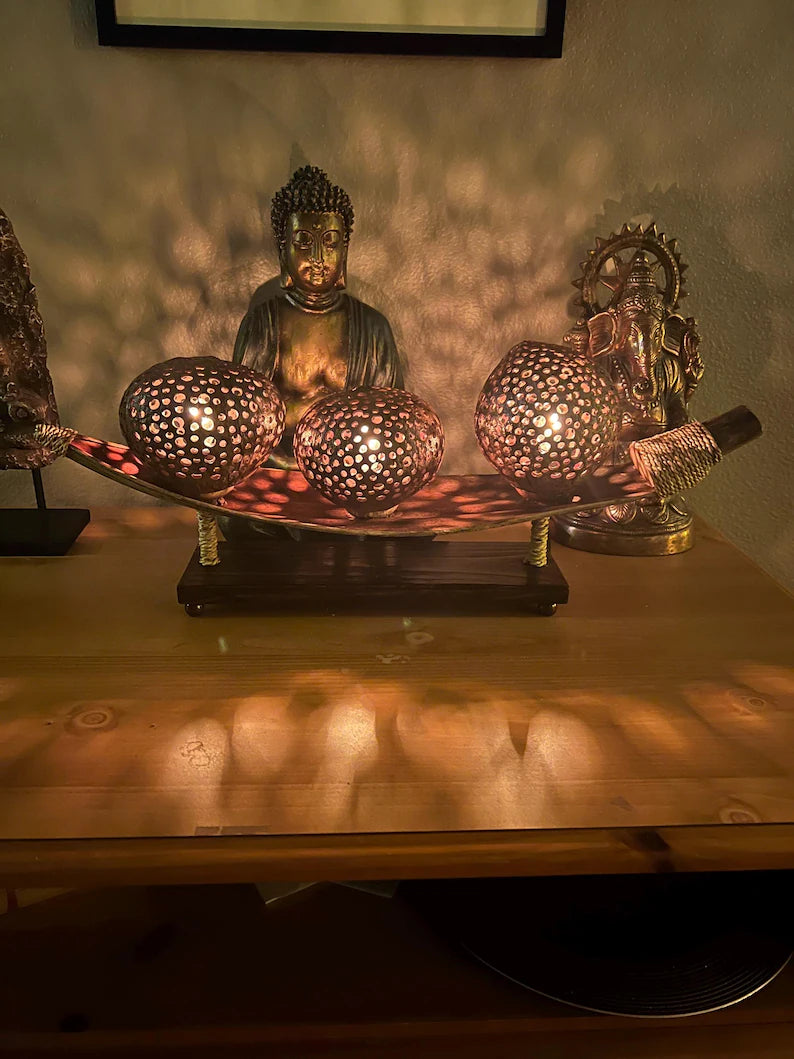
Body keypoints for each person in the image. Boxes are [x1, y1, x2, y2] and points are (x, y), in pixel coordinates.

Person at [233, 165, 404, 468]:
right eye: (303, 241)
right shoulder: (264, 322)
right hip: (278, 472)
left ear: (345, 250)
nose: (317, 258)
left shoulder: (373, 328)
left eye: (330, 242)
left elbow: (392, 422)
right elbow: (243, 420)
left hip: (352, 472)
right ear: (283, 250)